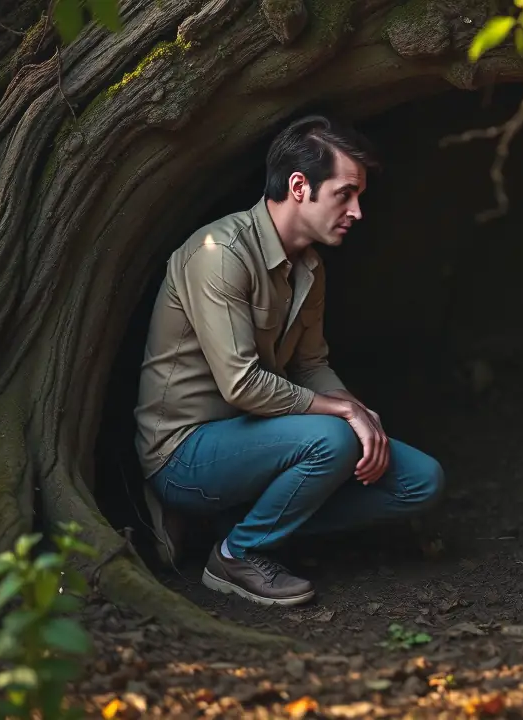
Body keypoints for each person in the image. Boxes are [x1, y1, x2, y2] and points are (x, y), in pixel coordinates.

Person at [132, 114, 445, 607]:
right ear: (300, 186)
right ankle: (236, 554)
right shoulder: (218, 254)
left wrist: (361, 414)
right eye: (345, 194)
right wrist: (343, 413)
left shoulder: (310, 267)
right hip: (185, 456)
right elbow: (241, 385)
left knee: (419, 481)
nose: (357, 211)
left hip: (268, 441)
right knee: (333, 438)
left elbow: (311, 364)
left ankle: (232, 525)